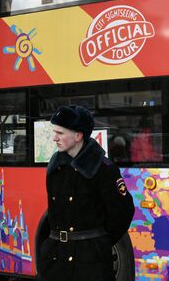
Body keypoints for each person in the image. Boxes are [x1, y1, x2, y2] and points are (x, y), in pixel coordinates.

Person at [38, 105, 135, 281]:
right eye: (54, 132)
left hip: (91, 264)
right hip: (55, 262)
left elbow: (122, 212)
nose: (54, 138)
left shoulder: (103, 169)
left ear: (78, 135)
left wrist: (98, 243)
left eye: (60, 133)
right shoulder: (55, 165)